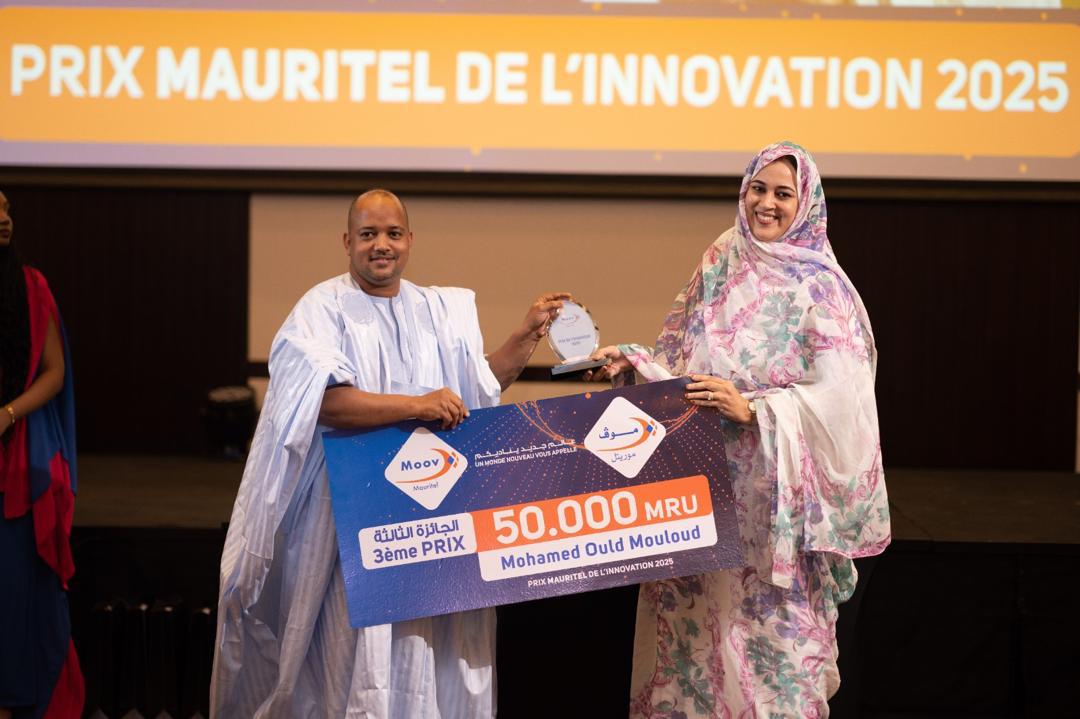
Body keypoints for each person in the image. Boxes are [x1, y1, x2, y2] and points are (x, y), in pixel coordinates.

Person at [211, 189, 570, 718]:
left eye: (393, 234)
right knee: (349, 659)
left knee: (429, 652)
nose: (381, 245)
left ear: (410, 240)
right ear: (347, 242)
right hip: (347, 523)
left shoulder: (438, 310)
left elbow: (476, 388)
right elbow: (325, 402)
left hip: (430, 520)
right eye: (368, 234)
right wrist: (417, 405)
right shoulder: (321, 309)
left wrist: (524, 336)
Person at [586, 142, 890, 717]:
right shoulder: (720, 259)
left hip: (774, 515)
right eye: (758, 189)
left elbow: (846, 409)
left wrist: (755, 411)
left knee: (774, 666)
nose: (766, 204)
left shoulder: (822, 286)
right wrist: (635, 364)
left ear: (806, 204)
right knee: (692, 656)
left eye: (783, 194)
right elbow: (679, 363)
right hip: (698, 500)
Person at [0, 190, 83, 719]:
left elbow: (54, 372)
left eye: (7, 209)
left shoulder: (31, 285)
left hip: (17, 462)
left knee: (12, 591)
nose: (4, 219)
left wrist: (7, 414)